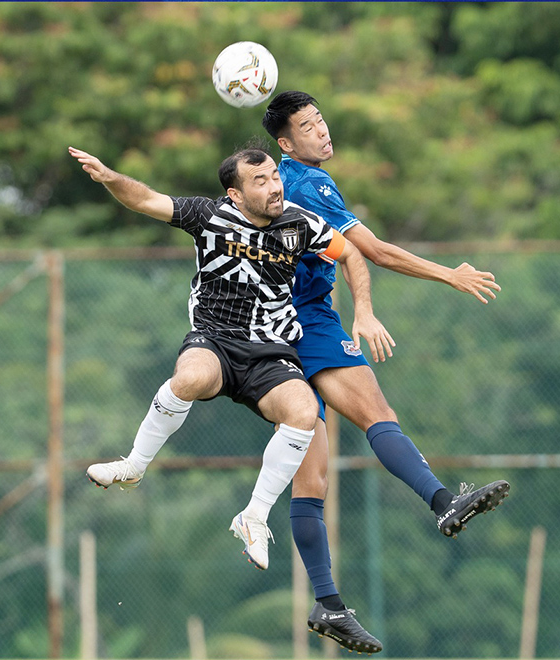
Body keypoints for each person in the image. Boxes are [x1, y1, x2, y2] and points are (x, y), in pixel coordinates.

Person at [69, 145, 394, 577]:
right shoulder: (208, 216)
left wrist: (365, 310)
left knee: (302, 413)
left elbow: (350, 253)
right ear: (235, 194)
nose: (275, 187)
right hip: (216, 339)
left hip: (272, 350)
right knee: (190, 378)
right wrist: (111, 177)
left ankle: (253, 516)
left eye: (275, 178)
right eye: (260, 182)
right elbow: (146, 199)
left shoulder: (301, 223)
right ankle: (133, 466)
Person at [261, 90, 510, 653]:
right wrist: (448, 274)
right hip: (309, 322)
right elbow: (371, 250)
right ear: (286, 143)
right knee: (377, 414)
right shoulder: (309, 184)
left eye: (322, 119)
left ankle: (328, 605)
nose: (321, 131)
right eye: (307, 125)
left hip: (270, 331)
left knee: (312, 475)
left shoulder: (275, 180)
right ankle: (443, 502)